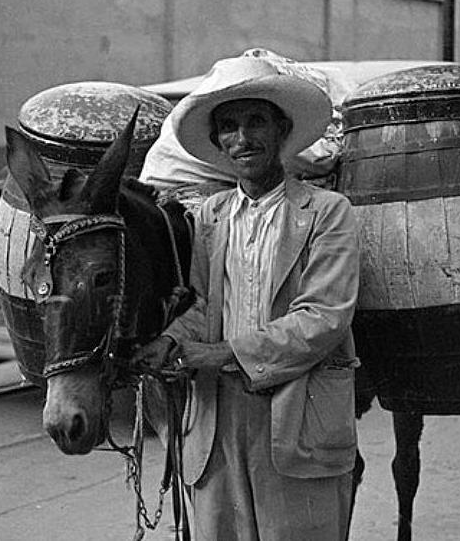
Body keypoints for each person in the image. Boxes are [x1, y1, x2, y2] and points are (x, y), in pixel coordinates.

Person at [134, 55, 360, 541]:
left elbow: (324, 317)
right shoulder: (211, 216)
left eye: (256, 121)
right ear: (217, 143)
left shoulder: (326, 213)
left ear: (281, 130)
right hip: (217, 417)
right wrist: (172, 342)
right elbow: (199, 305)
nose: (243, 138)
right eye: (230, 127)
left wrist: (221, 354)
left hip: (298, 410)